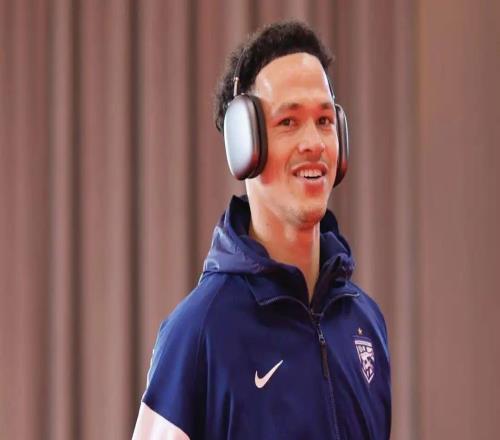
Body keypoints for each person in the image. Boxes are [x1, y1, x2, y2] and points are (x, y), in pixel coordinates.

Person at [132, 20, 391, 440]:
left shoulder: (365, 323)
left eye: (324, 120)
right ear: (245, 145)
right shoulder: (198, 334)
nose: (314, 143)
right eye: (288, 122)